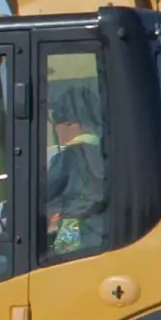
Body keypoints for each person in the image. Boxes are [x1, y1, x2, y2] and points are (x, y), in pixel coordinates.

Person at [42, 76, 109, 259]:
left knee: (60, 266)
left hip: (73, 226)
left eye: (56, 122)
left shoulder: (67, 156)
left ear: (70, 122)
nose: (56, 130)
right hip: (103, 229)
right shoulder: (108, 156)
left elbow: (45, 193)